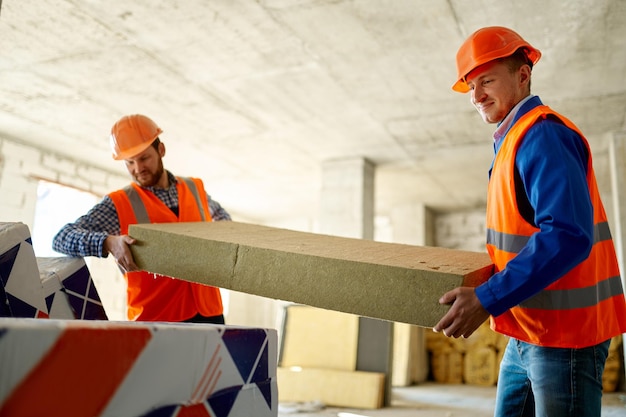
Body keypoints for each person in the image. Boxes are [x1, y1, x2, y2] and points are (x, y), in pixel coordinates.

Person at [433, 26, 626, 416]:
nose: (476, 96)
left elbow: (568, 236)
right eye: (471, 86)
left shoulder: (543, 134)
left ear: (523, 75)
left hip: (564, 339)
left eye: (486, 81)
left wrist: (487, 298)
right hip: (527, 328)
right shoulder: (514, 139)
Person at [53, 114, 231, 324]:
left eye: (144, 158)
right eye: (130, 162)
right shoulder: (118, 203)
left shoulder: (194, 188)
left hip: (210, 311)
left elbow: (224, 222)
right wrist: (109, 242)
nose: (138, 169)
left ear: (161, 150)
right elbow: (61, 238)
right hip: (156, 319)